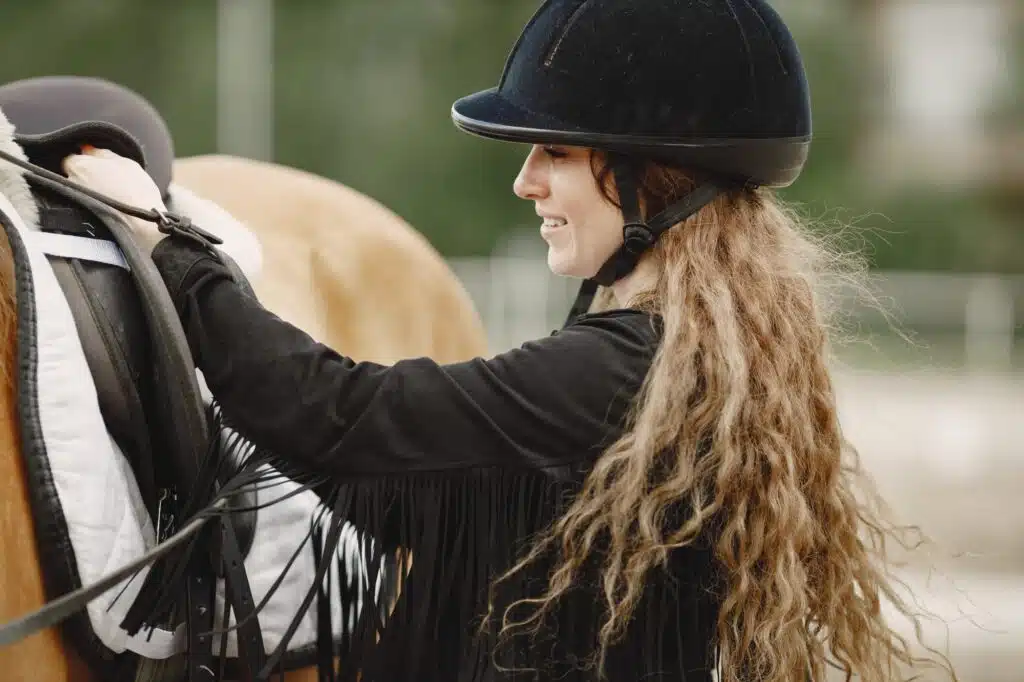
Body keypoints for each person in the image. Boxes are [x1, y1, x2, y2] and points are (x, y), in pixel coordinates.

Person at [62, 1, 956, 681]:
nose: (526, 181)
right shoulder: (670, 359)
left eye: (555, 153)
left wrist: (167, 243)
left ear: (652, 177)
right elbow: (428, 491)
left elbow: (341, 418)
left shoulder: (614, 375)